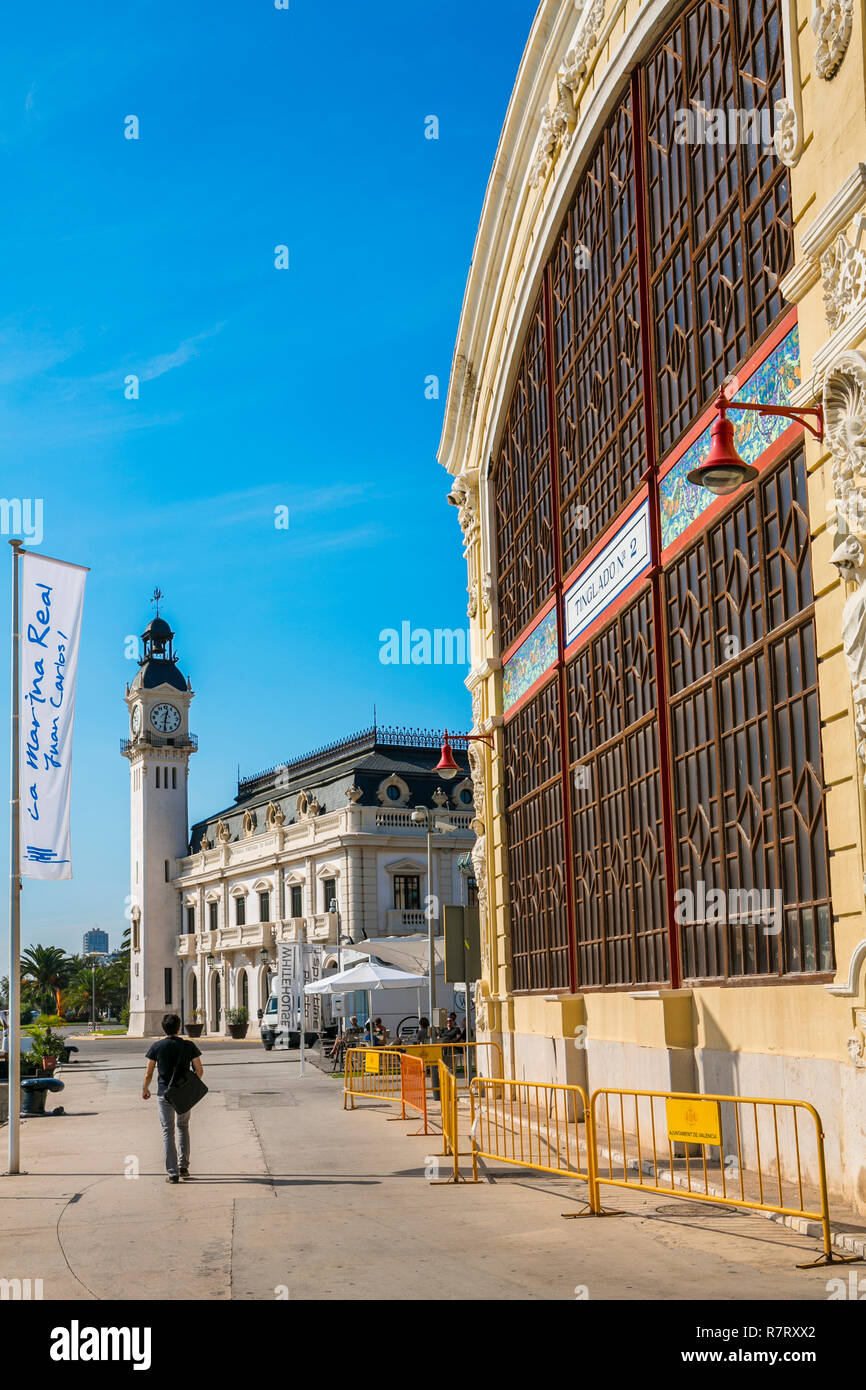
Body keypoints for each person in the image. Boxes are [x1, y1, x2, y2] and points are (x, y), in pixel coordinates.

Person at [142, 1014, 203, 1184]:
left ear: (164, 1028)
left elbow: (149, 1073)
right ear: (179, 1027)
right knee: (183, 1126)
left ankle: (173, 1172)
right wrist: (190, 1087)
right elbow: (199, 1070)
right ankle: (184, 1166)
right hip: (182, 1094)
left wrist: (145, 1088)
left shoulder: (156, 1047)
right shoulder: (188, 1045)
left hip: (164, 1094)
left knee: (168, 1131)